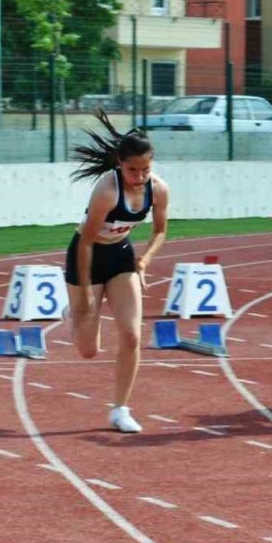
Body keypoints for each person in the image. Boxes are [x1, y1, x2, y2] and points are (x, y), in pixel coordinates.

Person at [65, 111, 171, 434]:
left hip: (122, 256)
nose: (139, 177)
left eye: (145, 170)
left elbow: (160, 231)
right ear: (119, 164)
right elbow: (85, 243)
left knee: (132, 335)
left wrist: (144, 261)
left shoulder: (159, 190)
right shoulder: (107, 191)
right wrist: (83, 289)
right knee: (88, 350)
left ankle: (120, 410)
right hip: (88, 256)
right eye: (132, 170)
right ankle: (73, 312)